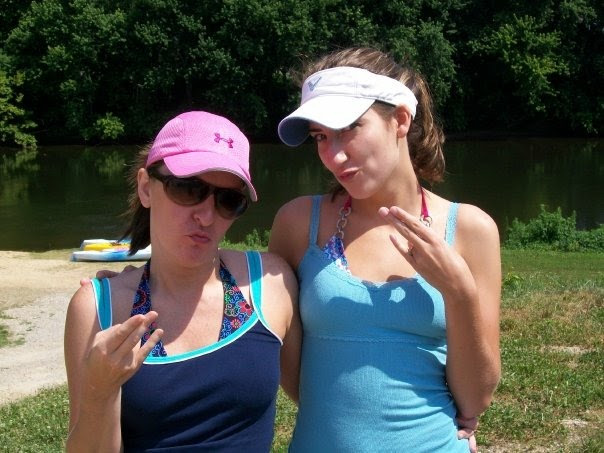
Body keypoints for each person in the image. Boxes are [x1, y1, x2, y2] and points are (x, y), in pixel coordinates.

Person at [269, 47, 501, 452]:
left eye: (349, 128)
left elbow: (475, 398)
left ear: (401, 119)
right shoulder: (299, 224)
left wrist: (459, 292)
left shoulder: (469, 230)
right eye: (321, 137)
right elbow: (287, 365)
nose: (334, 155)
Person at [64, 111, 300, 452]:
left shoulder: (271, 284)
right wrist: (99, 392)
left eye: (228, 200)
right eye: (188, 189)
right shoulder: (99, 309)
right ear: (146, 188)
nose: (206, 215)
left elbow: (323, 396)